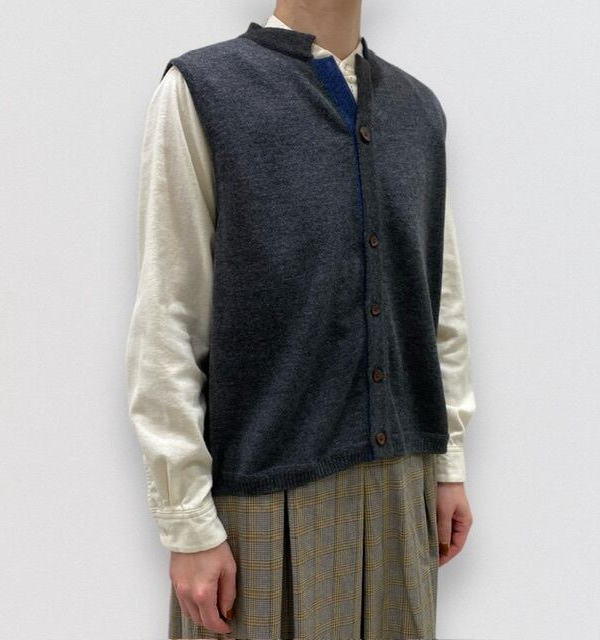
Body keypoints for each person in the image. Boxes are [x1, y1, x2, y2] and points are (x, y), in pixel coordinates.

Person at [125, 2, 476, 638]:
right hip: (261, 498)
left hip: (404, 484)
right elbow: (168, 319)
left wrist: (447, 461)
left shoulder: (418, 110)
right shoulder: (205, 90)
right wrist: (187, 522)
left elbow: (438, 302)